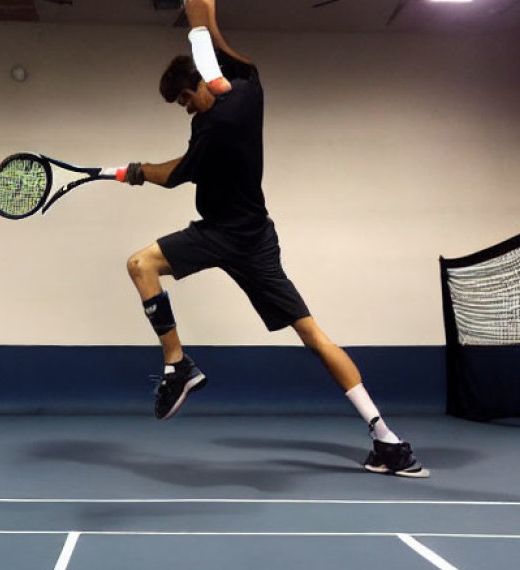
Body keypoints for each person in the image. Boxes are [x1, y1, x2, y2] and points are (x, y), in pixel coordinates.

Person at [119, 0, 428, 478]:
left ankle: (386, 439)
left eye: (184, 98)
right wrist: (205, 17)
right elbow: (218, 51)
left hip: (236, 239)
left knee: (309, 334)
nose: (185, 108)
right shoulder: (249, 89)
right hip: (242, 233)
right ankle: (178, 364)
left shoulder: (218, 125)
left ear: (200, 85)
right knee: (142, 265)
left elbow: (175, 175)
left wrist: (134, 171)